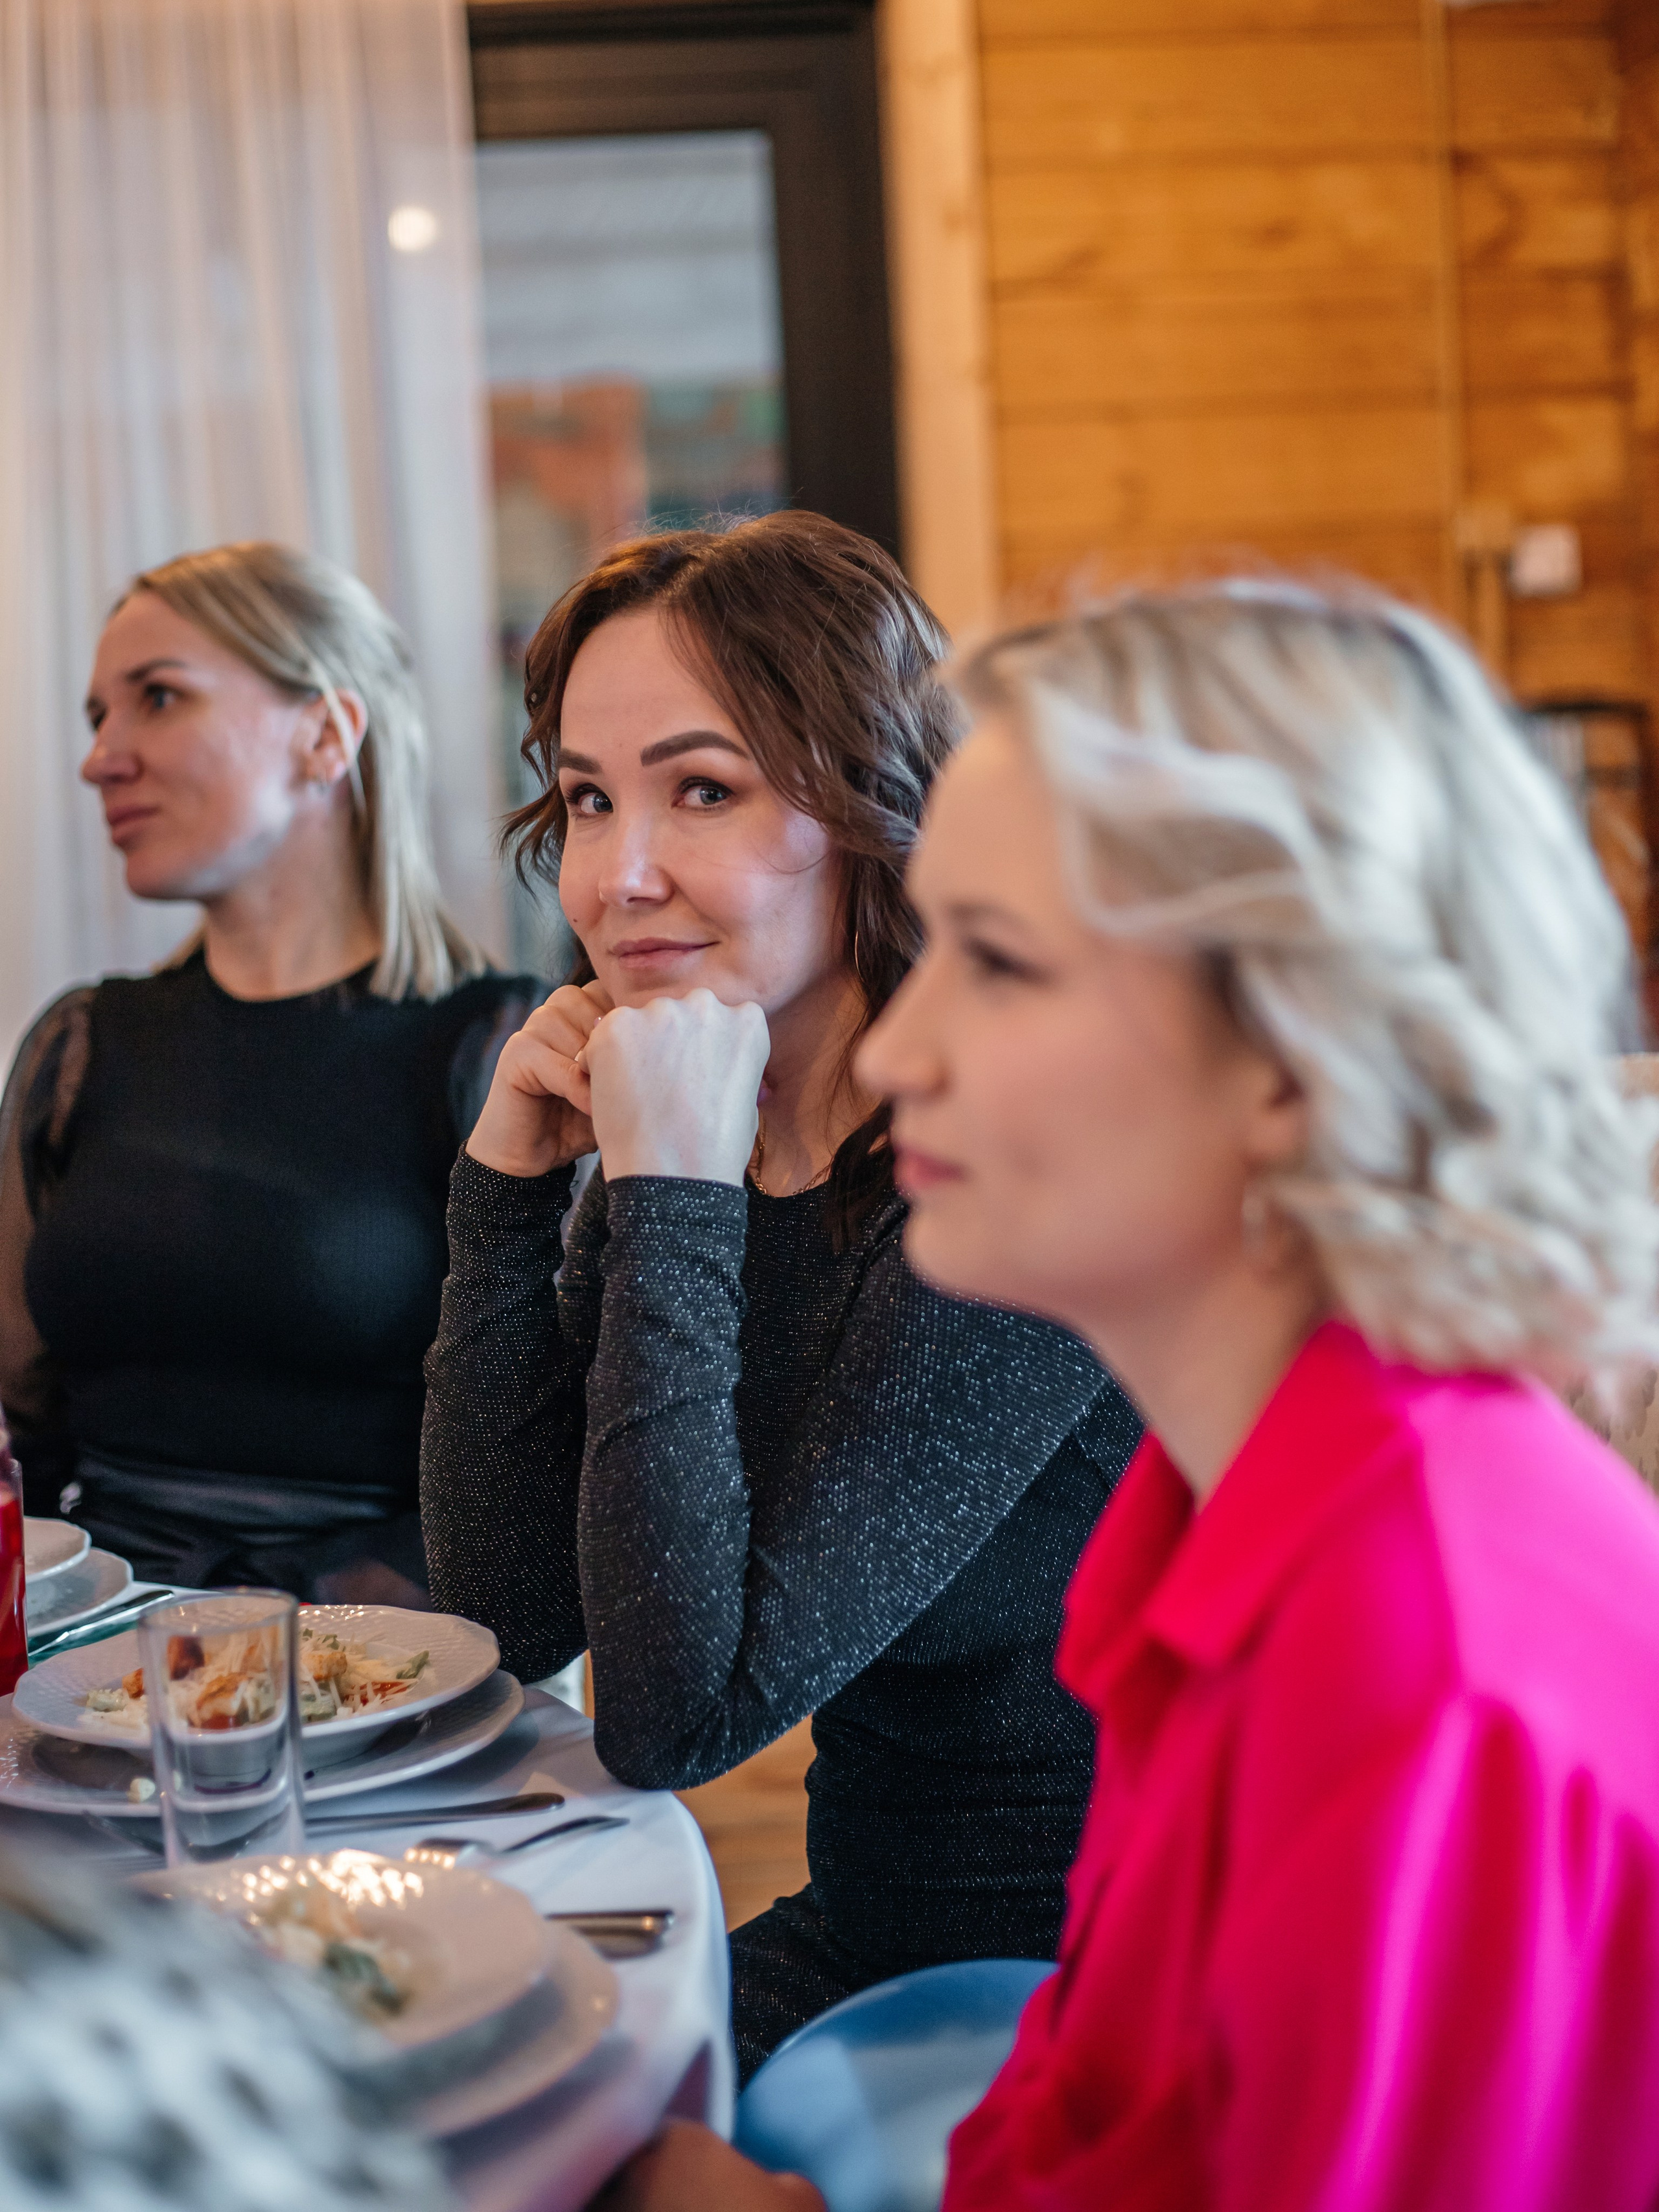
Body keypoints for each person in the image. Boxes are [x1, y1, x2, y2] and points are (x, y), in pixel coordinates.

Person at [603, 579, 1659, 2210]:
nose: (897, 1052)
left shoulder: (1410, 1663)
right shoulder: (1226, 1493)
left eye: (1001, 965)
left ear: (1294, 1060)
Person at [419, 511, 1143, 2079]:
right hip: (879, 1931)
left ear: (875, 804)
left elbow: (679, 1720)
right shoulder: (702, 1124)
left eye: (703, 790)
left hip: (1102, 1982)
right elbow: (512, 1617)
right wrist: (507, 1195)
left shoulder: (1003, 1168)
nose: (618, 877)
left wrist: (664, 1195)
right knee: (434, 2101)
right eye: (589, 798)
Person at [0, 542, 542, 1601]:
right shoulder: (81, 1045)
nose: (101, 757)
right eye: (97, 717)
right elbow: (24, 1431)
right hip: (101, 1667)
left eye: (157, 697)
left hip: (387, 1666)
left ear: (327, 734)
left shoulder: (497, 1054)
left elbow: (538, 1469)